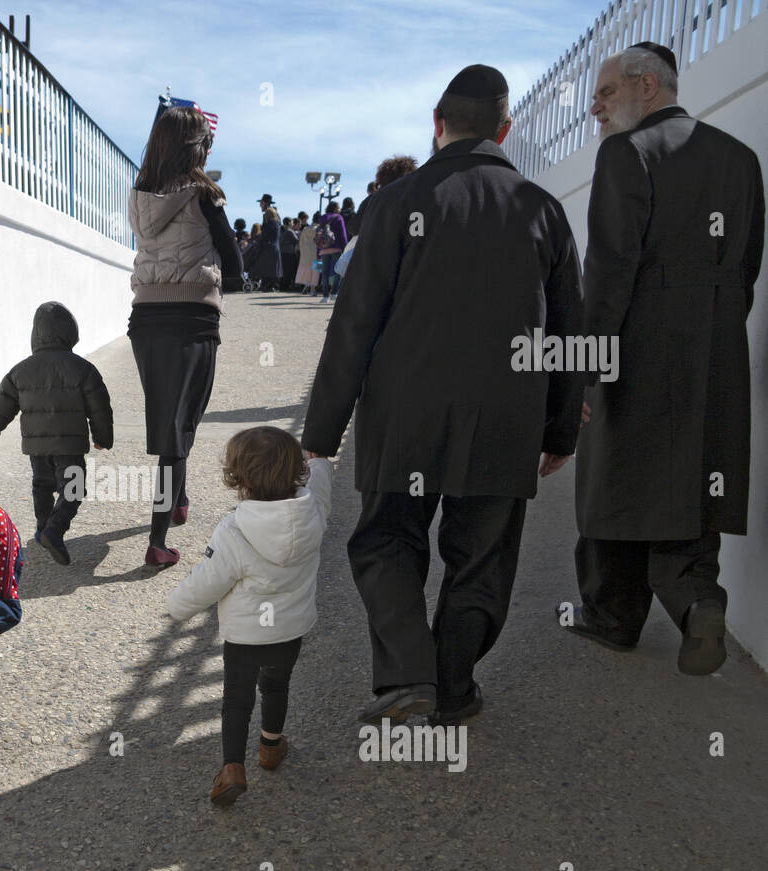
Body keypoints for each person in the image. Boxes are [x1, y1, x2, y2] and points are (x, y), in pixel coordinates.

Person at [302, 64, 585, 726]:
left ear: (438, 125)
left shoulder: (397, 203)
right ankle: (454, 687)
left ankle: (407, 677)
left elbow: (355, 324)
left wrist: (322, 431)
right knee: (481, 558)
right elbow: (571, 332)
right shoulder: (543, 211)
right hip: (505, 418)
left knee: (386, 541)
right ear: (505, 130)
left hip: (406, 413)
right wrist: (560, 429)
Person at [567, 42, 765, 674]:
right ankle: (696, 598)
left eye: (605, 93)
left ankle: (612, 615)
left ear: (646, 86)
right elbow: (748, 263)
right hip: (716, 348)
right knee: (694, 475)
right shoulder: (741, 158)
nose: (596, 109)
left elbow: (608, 273)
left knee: (614, 478)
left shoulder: (626, 153)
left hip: (636, 345)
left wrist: (583, 368)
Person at [167, 428, 333, 805]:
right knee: (276, 686)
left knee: (237, 699)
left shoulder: (235, 529)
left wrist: (176, 606)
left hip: (245, 636)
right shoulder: (314, 511)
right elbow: (322, 477)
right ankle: (271, 748)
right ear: (297, 471)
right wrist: (320, 462)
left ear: (237, 477)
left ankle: (232, 768)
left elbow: (207, 582)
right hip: (289, 630)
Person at [127, 107, 243, 567]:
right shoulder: (204, 195)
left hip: (146, 319)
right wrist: (228, 280)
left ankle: (178, 501)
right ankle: (157, 542)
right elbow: (233, 260)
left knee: (170, 417)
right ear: (198, 148)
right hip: (193, 317)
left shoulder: (139, 196)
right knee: (180, 428)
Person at [0, 301, 115, 566]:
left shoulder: (20, 371)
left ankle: (42, 529)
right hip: (69, 446)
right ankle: (55, 529)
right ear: (70, 332)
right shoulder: (83, 369)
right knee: (73, 488)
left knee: (42, 484)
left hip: (37, 448)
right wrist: (103, 438)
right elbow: (99, 408)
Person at [334, 156, 418, 282]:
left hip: (372, 264)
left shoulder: (374, 199)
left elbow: (353, 227)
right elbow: (417, 234)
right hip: (406, 268)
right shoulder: (415, 201)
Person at [315, 206, 348, 302]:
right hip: (336, 247)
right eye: (338, 207)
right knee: (338, 271)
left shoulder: (321, 218)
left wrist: (318, 251)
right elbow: (343, 233)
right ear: (334, 209)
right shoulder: (338, 217)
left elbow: (319, 235)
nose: (340, 209)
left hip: (324, 248)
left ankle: (325, 296)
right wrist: (345, 247)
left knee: (325, 273)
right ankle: (334, 293)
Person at [254, 207, 284, 291]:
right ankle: (273, 285)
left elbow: (264, 235)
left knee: (267, 267)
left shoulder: (270, 223)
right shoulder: (277, 223)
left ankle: (268, 285)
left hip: (269, 247)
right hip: (275, 247)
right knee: (274, 268)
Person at [295, 213, 320, 294]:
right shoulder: (319, 229)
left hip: (306, 253)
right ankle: (313, 289)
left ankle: (306, 284)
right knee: (315, 271)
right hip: (316, 252)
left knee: (307, 270)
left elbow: (301, 242)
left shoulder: (305, 229)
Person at [279, 216, 300, 291]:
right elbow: (297, 240)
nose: (293, 224)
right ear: (289, 223)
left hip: (283, 253)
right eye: (291, 222)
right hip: (289, 253)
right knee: (289, 270)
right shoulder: (289, 231)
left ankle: (283, 285)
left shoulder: (282, 230)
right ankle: (286, 286)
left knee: (284, 270)